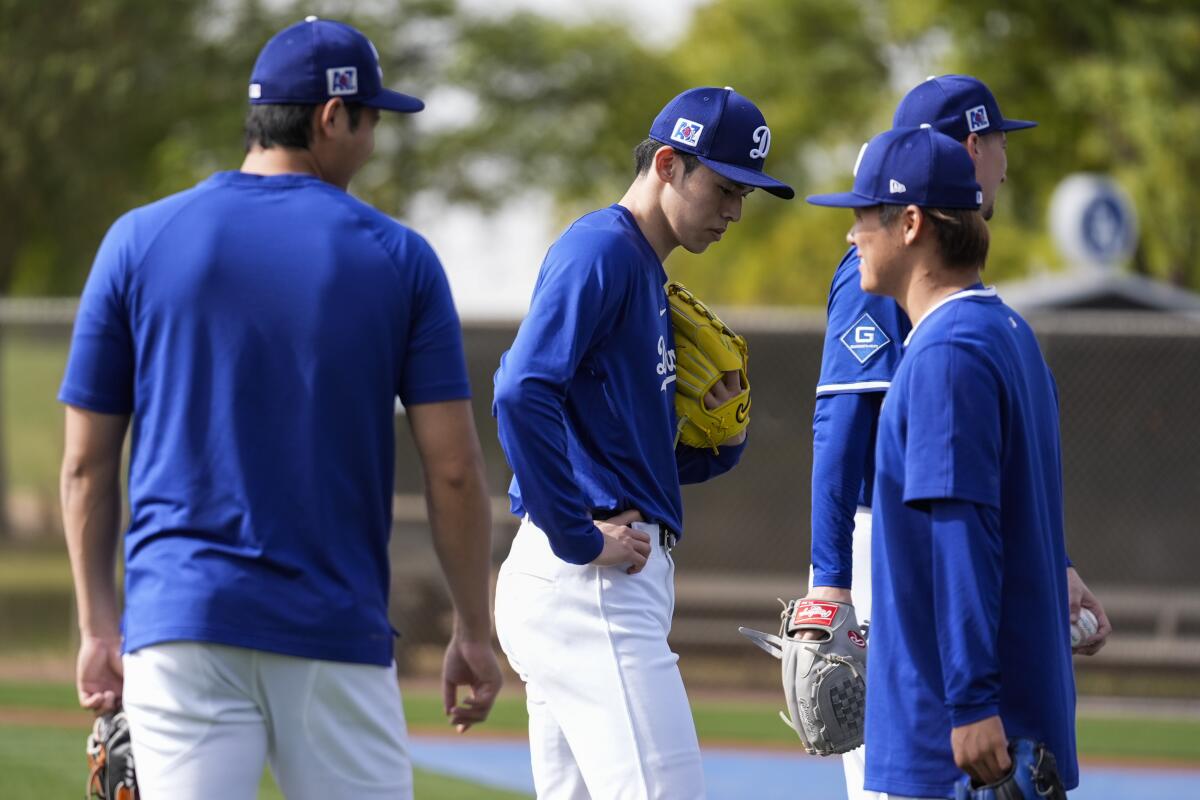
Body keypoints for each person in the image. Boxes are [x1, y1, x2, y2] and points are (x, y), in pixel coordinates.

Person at [58, 17, 501, 800]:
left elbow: (86, 465)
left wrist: (98, 627)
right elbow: (457, 472)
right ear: (333, 117)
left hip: (180, 622)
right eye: (371, 121)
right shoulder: (399, 258)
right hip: (333, 630)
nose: (372, 142)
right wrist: (474, 628)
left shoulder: (136, 241)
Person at [804, 75, 1110, 797]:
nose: (853, 233)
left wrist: (971, 702)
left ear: (911, 224)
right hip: (1014, 707)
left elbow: (961, 529)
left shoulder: (943, 353)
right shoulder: (1010, 331)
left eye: (865, 215)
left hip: (955, 731)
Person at [492, 86, 793, 799]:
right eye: (722, 187)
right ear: (668, 163)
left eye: (744, 193)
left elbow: (622, 445)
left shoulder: (640, 270)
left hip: (592, 580)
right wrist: (577, 536)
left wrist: (721, 444)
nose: (734, 211)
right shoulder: (602, 251)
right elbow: (519, 390)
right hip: (590, 584)